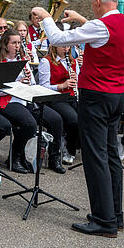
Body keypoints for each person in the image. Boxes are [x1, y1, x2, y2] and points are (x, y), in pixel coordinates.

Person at [32, 0, 124, 237]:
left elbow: (57, 39)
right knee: (111, 154)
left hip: (96, 96)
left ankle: (103, 220)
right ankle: (115, 214)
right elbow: (104, 35)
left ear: (97, 2)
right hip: (116, 95)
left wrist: (46, 17)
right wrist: (81, 19)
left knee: (95, 156)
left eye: (92, 3)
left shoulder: (101, 26)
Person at [0, 30, 64, 175]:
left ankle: (54, 158)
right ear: (5, 44)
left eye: (19, 43)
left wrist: (28, 81)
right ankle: (15, 157)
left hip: (25, 99)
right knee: (29, 124)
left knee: (55, 119)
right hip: (7, 101)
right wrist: (17, 83)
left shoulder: (22, 60)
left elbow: (33, 83)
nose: (17, 46)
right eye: (14, 43)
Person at [38, 40, 79, 168]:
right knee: (74, 120)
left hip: (72, 97)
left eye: (68, 46)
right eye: (63, 46)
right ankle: (69, 150)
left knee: (87, 116)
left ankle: (74, 144)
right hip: (56, 98)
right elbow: (43, 87)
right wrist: (61, 86)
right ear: (55, 46)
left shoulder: (73, 61)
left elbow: (78, 82)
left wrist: (76, 80)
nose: (66, 49)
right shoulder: (46, 61)